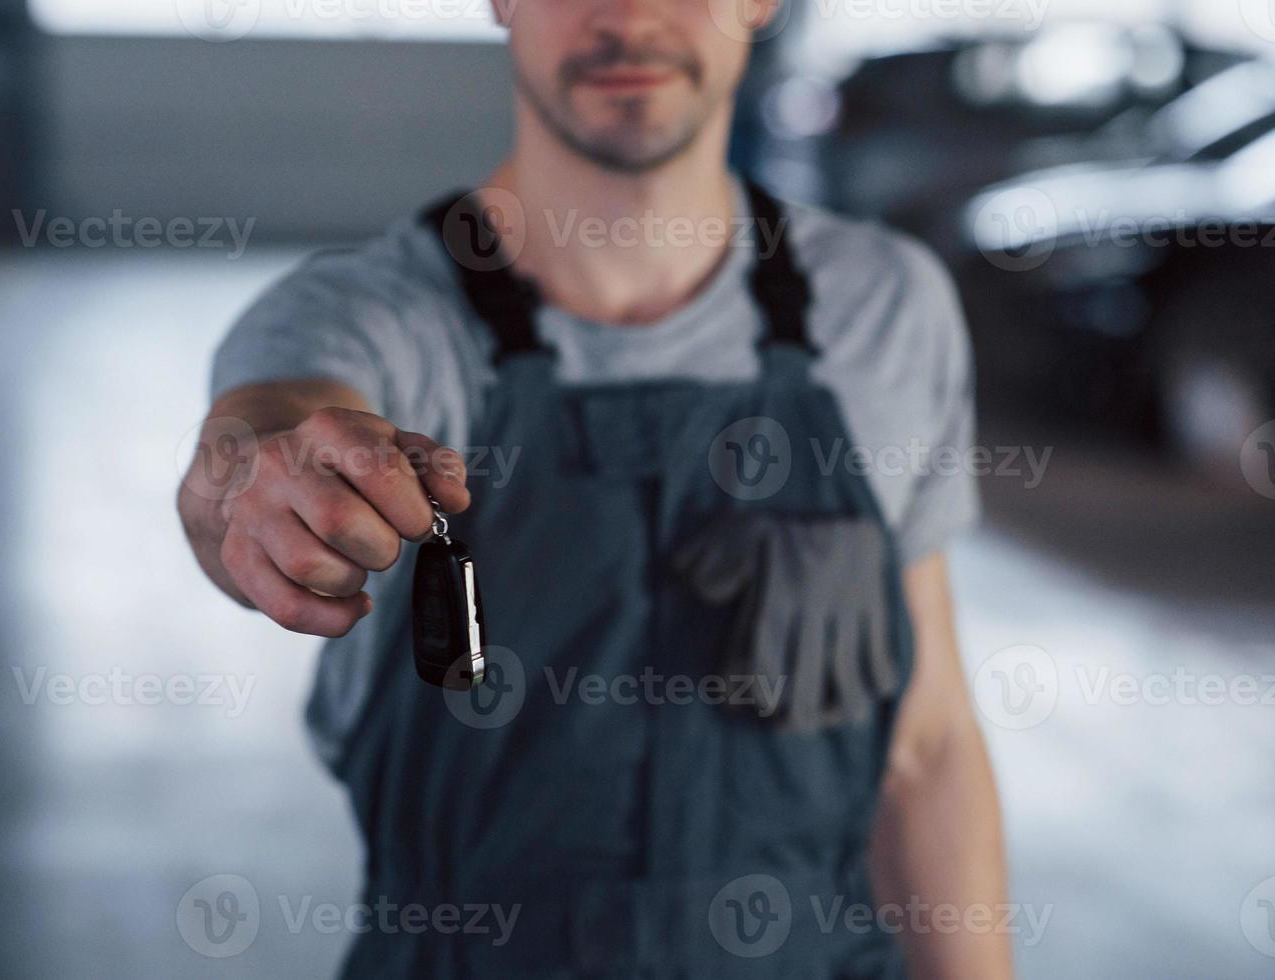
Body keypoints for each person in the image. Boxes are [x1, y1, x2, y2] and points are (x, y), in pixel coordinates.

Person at [178, 1, 1012, 975]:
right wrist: (256, 479)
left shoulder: (885, 307)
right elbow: (259, 432)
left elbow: (925, 748)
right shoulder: (370, 318)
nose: (628, 17)